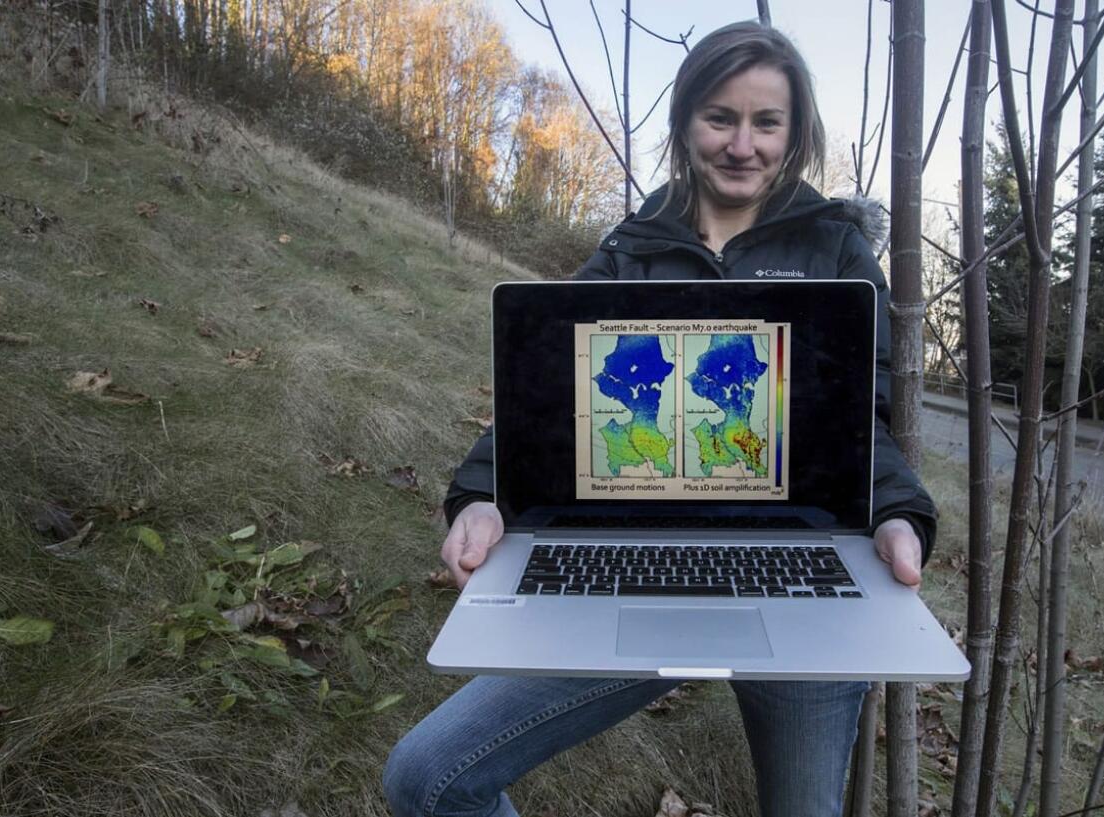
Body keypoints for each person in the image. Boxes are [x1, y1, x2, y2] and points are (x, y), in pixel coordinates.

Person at [383, 20, 937, 817]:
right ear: (684, 123)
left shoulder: (839, 251)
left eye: (766, 122)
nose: (742, 144)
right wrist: (481, 494)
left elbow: (858, 419)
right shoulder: (631, 248)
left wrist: (896, 513)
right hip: (629, 549)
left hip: (804, 567)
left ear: (796, 132)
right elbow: (546, 395)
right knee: (426, 777)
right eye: (720, 117)